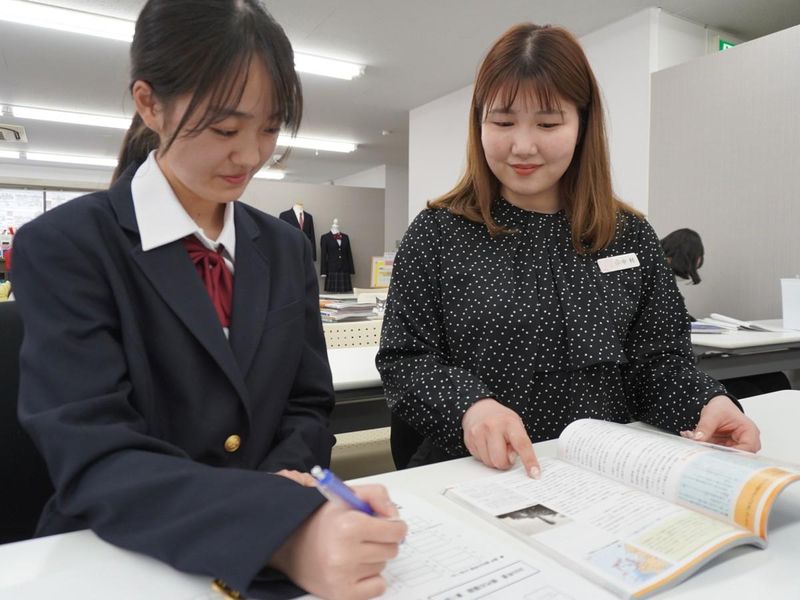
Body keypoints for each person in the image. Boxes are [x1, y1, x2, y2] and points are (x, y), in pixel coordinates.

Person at [11, 2, 405, 599]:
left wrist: (287, 492)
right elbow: (94, 451)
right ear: (150, 104)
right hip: (121, 559)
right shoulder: (67, 246)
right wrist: (273, 524)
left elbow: (307, 403)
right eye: (224, 129)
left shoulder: (283, 247)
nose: (250, 156)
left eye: (270, 129)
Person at [377, 23, 760, 475]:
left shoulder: (630, 235)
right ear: (479, 122)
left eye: (548, 123)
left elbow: (658, 360)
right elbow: (405, 359)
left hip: (607, 472)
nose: (523, 145)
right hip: (481, 472)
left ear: (582, 123)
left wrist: (706, 401)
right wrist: (471, 408)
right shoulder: (439, 233)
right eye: (502, 122)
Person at [661, 227, 791, 398]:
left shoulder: (659, 279)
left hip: (676, 361)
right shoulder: (659, 283)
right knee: (766, 384)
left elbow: (677, 316)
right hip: (670, 368)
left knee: (774, 380)